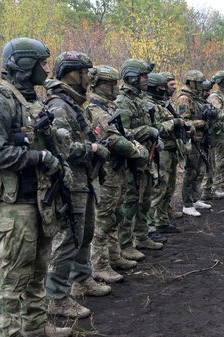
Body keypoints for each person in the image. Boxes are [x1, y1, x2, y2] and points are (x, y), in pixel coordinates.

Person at [0, 37, 72, 337]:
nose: (46, 68)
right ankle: (10, 332)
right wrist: (39, 156)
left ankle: (35, 326)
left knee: (38, 270)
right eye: (42, 63)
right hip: (14, 206)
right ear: (25, 64)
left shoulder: (31, 100)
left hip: (39, 200)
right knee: (14, 277)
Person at [45, 51, 112, 319]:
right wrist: (93, 147)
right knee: (68, 239)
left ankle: (82, 279)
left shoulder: (72, 104)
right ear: (74, 73)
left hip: (84, 180)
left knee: (85, 233)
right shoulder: (59, 107)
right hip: (70, 183)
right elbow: (62, 148)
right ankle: (58, 298)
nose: (89, 77)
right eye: (85, 72)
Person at [88, 65, 149, 283]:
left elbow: (121, 133)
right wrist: (136, 150)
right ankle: (99, 264)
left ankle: (114, 256)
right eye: (110, 83)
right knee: (103, 219)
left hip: (117, 170)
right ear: (98, 85)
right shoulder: (96, 110)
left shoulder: (109, 106)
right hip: (107, 172)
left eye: (116, 82)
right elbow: (113, 139)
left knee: (115, 215)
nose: (115, 87)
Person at [116, 59, 165, 257]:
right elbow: (122, 133)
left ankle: (142, 236)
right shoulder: (123, 101)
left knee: (144, 200)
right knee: (130, 202)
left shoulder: (140, 99)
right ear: (132, 77)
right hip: (131, 161)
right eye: (143, 76)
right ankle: (125, 245)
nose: (146, 79)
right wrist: (147, 130)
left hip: (146, 158)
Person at [145, 72, 185, 231]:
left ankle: (161, 219)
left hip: (171, 149)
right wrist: (174, 122)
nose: (165, 90)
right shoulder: (149, 104)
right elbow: (156, 128)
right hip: (160, 151)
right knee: (159, 188)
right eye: (161, 87)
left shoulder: (163, 103)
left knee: (168, 187)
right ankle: (151, 224)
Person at [177, 70, 213, 216]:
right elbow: (183, 121)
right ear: (191, 82)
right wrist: (201, 122)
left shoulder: (196, 97)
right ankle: (187, 203)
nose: (200, 85)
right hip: (191, 140)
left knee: (199, 171)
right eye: (198, 83)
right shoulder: (185, 98)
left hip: (200, 139)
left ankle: (195, 198)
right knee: (191, 171)